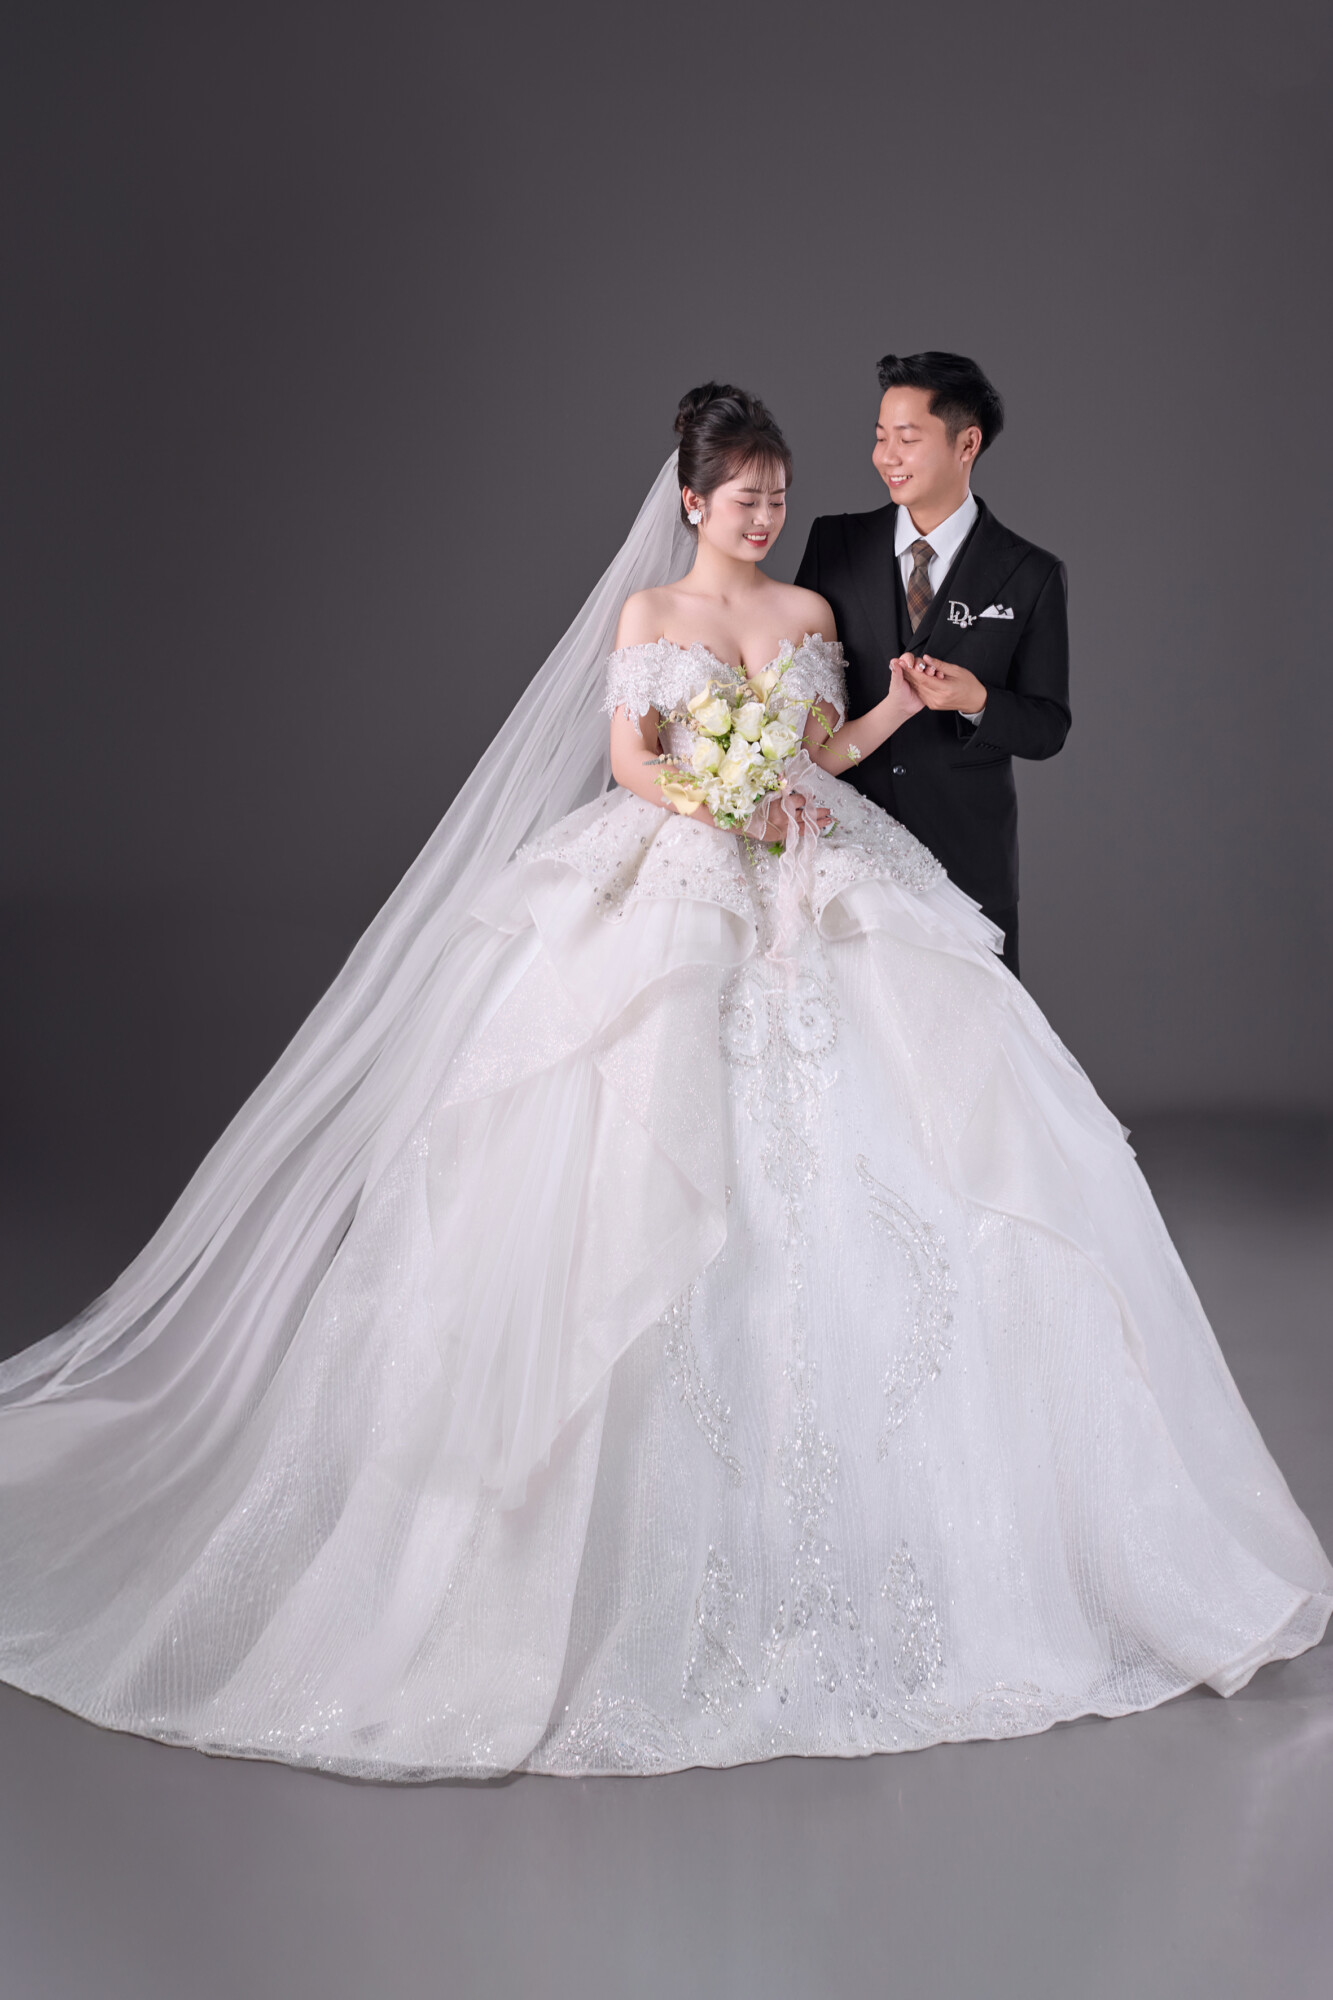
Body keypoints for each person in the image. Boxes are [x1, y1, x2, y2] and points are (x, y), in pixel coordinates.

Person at [0, 385, 1327, 1782]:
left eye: (777, 496)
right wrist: (717, 800)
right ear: (691, 500)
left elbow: (824, 754)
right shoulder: (650, 615)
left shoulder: (807, 614)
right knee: (635, 1122)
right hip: (683, 866)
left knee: (922, 1129)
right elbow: (630, 762)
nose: (764, 516)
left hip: (813, 855)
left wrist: (889, 709)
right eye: (743, 498)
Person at [795, 351, 1069, 975]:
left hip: (966, 858)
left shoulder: (1031, 573)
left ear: (967, 444)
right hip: (845, 853)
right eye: (880, 437)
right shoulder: (834, 545)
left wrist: (978, 702)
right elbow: (799, 689)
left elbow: (1049, 726)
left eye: (907, 439)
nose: (886, 456)